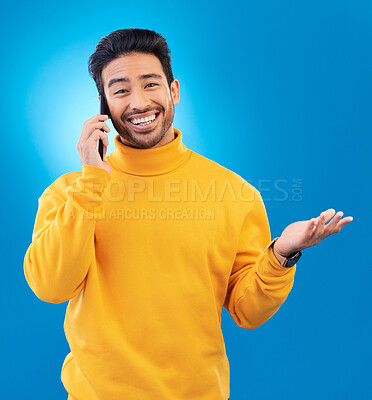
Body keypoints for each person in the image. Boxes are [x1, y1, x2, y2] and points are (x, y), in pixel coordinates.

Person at [23, 28, 353, 400]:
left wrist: (280, 255)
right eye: (120, 90)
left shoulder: (235, 194)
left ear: (173, 91)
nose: (138, 102)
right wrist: (91, 185)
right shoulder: (71, 192)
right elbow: (51, 287)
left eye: (150, 84)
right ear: (104, 107)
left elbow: (247, 311)